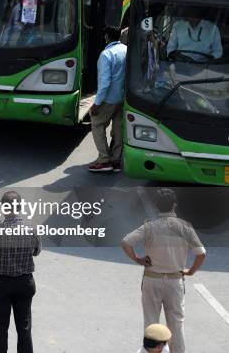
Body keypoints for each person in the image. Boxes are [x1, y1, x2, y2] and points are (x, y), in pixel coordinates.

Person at [122, 188, 206, 353]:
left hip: (152, 280)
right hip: (175, 281)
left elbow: (126, 242)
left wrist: (138, 259)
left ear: (155, 206)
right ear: (174, 205)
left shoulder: (149, 227)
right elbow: (201, 253)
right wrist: (191, 271)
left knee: (151, 324)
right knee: (176, 323)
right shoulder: (185, 227)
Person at [0, 191, 40, 353]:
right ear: (20, 207)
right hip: (25, 283)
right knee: (24, 327)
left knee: (0, 327)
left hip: (1, 284)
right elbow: (36, 251)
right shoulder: (31, 229)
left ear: (3, 208)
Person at [88, 26, 127, 173]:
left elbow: (105, 83)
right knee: (118, 128)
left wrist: (96, 104)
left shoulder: (106, 54)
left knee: (97, 124)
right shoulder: (126, 50)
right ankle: (116, 160)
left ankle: (104, 160)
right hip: (123, 98)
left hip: (109, 99)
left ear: (107, 37)